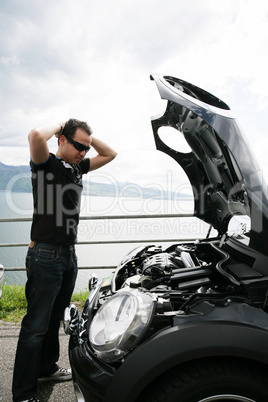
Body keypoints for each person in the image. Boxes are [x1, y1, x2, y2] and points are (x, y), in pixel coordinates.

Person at [12, 118, 117, 402]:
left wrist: (86, 141)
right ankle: (23, 393)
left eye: (85, 147)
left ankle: (46, 368)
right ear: (61, 140)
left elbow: (110, 154)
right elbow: (35, 135)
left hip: (68, 256)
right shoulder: (46, 164)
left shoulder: (78, 168)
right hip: (45, 255)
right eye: (78, 146)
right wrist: (60, 126)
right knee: (35, 326)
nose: (83, 152)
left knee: (55, 319)